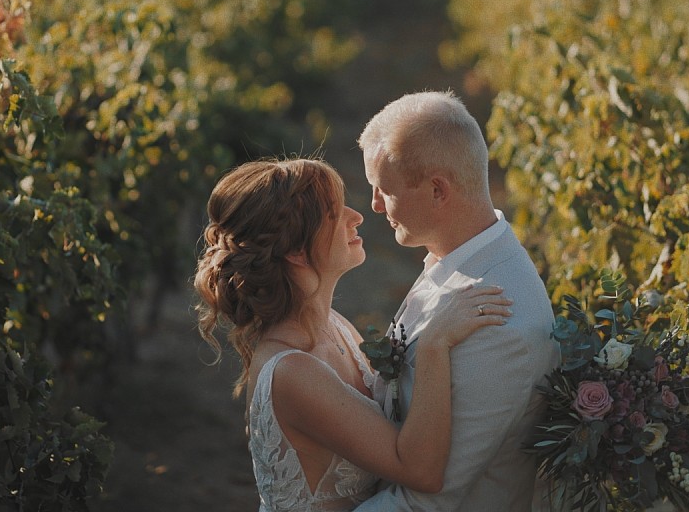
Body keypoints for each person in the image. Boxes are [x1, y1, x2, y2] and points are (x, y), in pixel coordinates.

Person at [194, 158, 515, 511]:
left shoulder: (335, 326)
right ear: (297, 251)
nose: (356, 216)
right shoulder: (291, 371)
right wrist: (435, 344)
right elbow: (421, 472)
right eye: (334, 214)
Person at [354, 91, 560, 512]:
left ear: (437, 190)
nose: (374, 205)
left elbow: (428, 500)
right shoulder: (463, 255)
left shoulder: (502, 324)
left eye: (385, 190)